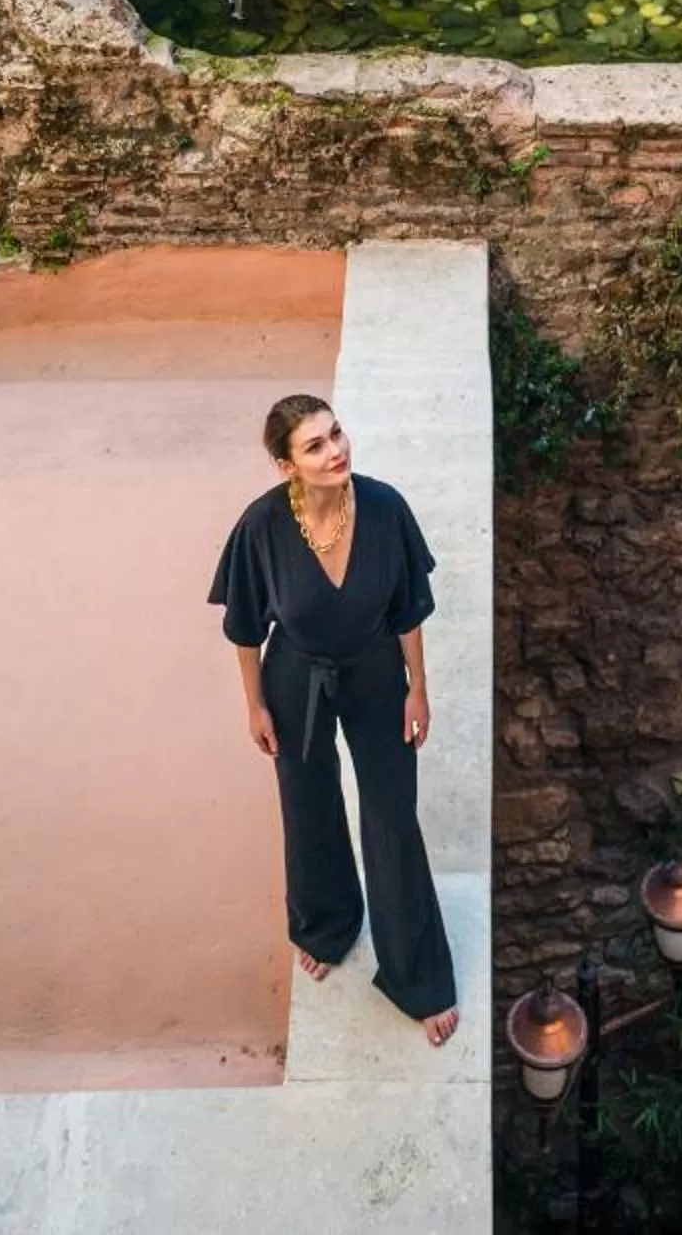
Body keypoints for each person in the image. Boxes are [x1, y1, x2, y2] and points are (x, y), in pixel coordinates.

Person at [209, 392, 459, 1046]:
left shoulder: (384, 508)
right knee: (308, 801)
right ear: (286, 465)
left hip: (375, 669)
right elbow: (244, 628)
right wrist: (256, 703)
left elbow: (409, 610)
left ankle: (416, 975)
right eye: (315, 445)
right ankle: (326, 924)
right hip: (296, 676)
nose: (335, 451)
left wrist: (418, 689)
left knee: (391, 813)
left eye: (337, 433)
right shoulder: (262, 526)